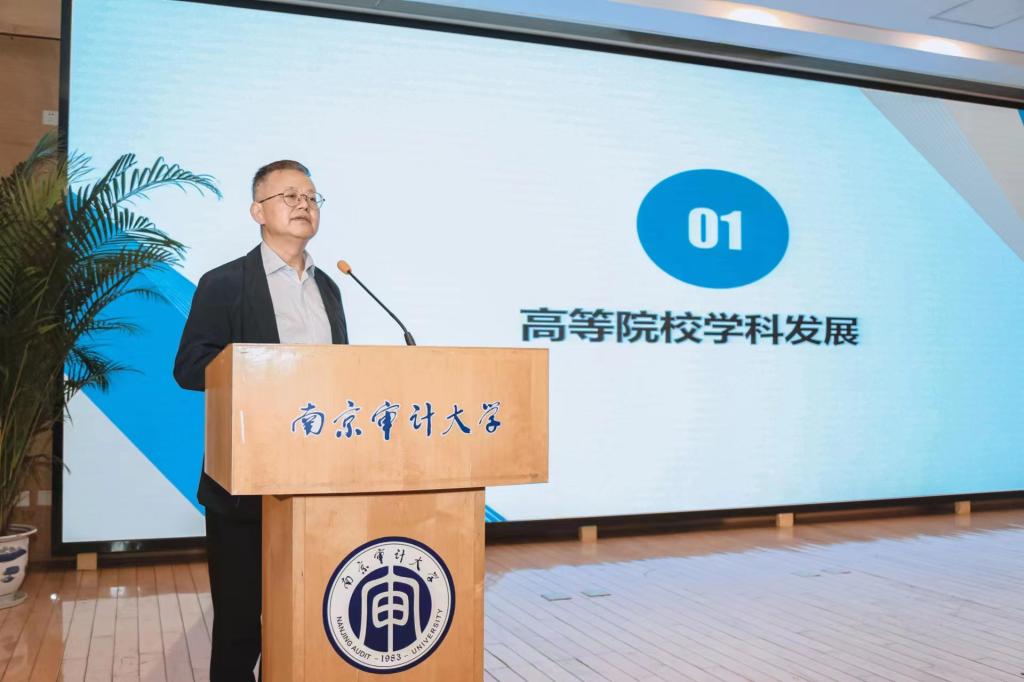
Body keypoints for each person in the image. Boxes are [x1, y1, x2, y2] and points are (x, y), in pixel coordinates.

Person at [173, 160, 348, 681]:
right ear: (257, 211)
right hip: (246, 479)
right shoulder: (225, 283)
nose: (304, 204)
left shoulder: (330, 288)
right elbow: (189, 368)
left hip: (319, 481)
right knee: (239, 624)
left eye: (312, 197)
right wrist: (260, 370)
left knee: (310, 615)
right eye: (289, 195)